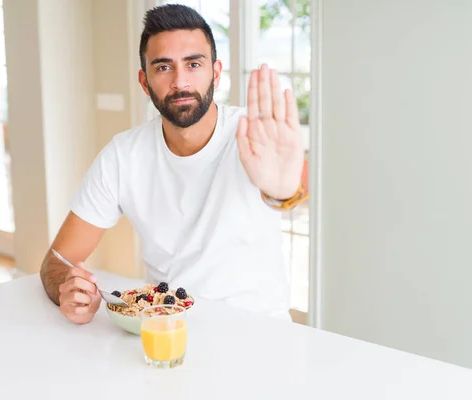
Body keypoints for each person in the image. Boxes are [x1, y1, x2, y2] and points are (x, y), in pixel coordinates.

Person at [39, 4, 307, 324]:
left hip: (259, 331)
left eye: (193, 64)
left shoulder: (254, 135)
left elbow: (291, 189)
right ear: (144, 81)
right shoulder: (124, 156)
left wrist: (282, 191)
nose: (180, 81)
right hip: (168, 331)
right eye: (164, 67)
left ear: (216, 73)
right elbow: (56, 262)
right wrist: (67, 291)